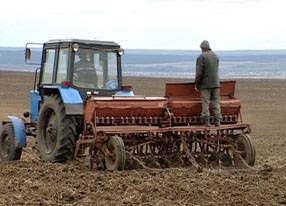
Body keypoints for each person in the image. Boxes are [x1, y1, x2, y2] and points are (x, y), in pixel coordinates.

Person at [195, 40, 221, 127]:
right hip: (216, 84)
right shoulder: (215, 56)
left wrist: (197, 84)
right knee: (216, 102)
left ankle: (207, 122)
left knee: (205, 102)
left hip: (205, 85)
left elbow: (199, 73)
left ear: (202, 48)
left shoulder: (202, 57)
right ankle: (217, 121)